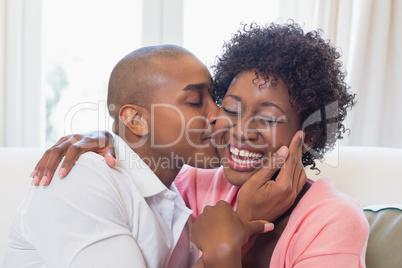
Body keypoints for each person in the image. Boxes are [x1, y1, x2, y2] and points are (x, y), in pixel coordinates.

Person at [26, 22, 370, 267]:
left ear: (307, 135)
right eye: (231, 109)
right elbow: (143, 168)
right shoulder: (194, 184)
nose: (234, 127)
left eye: (267, 118)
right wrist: (112, 140)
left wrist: (226, 248)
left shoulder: (332, 221)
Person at [5, 44, 287, 268]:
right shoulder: (79, 179)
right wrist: (223, 254)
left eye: (214, 98)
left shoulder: (172, 199)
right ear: (136, 120)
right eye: (194, 101)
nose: (217, 114)